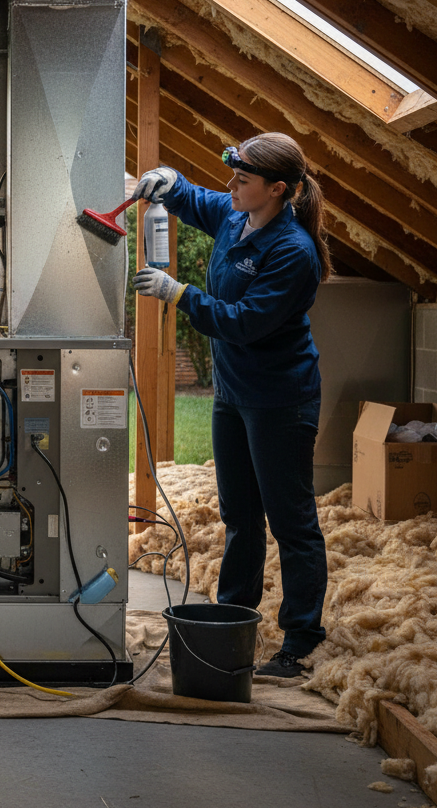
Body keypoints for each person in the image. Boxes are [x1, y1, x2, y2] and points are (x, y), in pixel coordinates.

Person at [130, 132, 330, 678]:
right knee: (241, 516)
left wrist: (179, 294)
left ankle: (302, 639)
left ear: (278, 189)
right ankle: (234, 619)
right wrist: (169, 183)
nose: (231, 186)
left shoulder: (292, 251)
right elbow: (198, 198)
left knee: (292, 522)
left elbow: (244, 323)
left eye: (243, 180)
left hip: (280, 399)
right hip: (234, 395)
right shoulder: (238, 215)